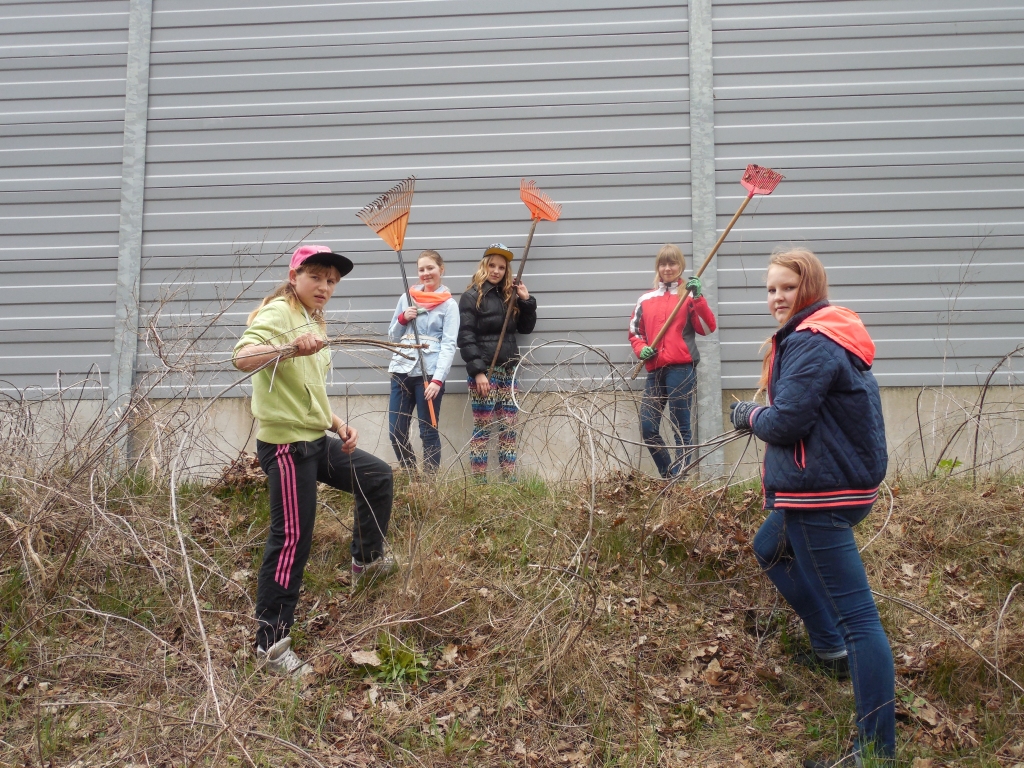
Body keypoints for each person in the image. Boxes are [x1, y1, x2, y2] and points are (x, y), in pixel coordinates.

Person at [729, 247, 894, 767]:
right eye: (771, 289)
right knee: (768, 547)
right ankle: (828, 645)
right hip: (837, 485)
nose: (777, 297)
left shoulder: (810, 340)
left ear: (811, 287)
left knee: (860, 622)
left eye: (788, 287)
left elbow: (785, 423)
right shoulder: (829, 331)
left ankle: (875, 754)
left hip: (820, 496)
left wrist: (747, 414)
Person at [233, 244, 395, 676]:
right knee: (292, 539)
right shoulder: (279, 314)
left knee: (376, 476)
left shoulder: (312, 318)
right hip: (287, 447)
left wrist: (337, 424)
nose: (325, 286)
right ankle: (270, 647)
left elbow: (308, 389)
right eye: (316, 277)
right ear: (294, 277)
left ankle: (366, 562)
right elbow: (242, 358)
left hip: (314, 438)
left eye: (332, 281)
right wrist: (288, 348)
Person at [628, 243, 717, 477]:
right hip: (655, 369)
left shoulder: (688, 295)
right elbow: (635, 332)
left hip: (681, 368)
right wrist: (642, 349)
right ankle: (670, 476)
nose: (667, 268)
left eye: (672, 263)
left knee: (681, 427)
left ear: (681, 266)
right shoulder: (646, 299)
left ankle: (680, 480)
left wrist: (698, 298)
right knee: (648, 427)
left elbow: (707, 328)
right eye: (663, 264)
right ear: (658, 267)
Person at [457, 243, 537, 482]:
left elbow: (525, 328)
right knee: (483, 428)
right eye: (492, 265)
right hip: (485, 373)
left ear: (506, 270)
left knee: (509, 427)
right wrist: (478, 372)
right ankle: (479, 481)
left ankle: (509, 479)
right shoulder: (472, 296)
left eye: (501, 267)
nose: (496, 271)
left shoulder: (509, 296)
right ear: (484, 265)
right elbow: (466, 337)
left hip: (508, 372)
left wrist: (526, 301)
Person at [386, 249, 459, 473]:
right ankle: (411, 475)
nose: (425, 273)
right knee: (396, 431)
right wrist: (402, 318)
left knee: (428, 431)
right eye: (421, 269)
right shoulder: (406, 298)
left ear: (441, 269)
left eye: (430, 268)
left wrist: (438, 380)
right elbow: (392, 337)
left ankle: (429, 484)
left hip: (429, 374)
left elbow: (449, 344)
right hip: (402, 370)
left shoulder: (449, 305)